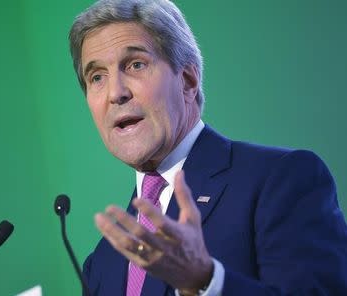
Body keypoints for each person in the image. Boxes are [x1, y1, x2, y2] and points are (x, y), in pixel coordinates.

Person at [68, 0, 347, 295]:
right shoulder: (102, 263)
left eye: (136, 64)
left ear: (188, 81)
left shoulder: (281, 181)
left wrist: (205, 281)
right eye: (97, 77)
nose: (116, 93)